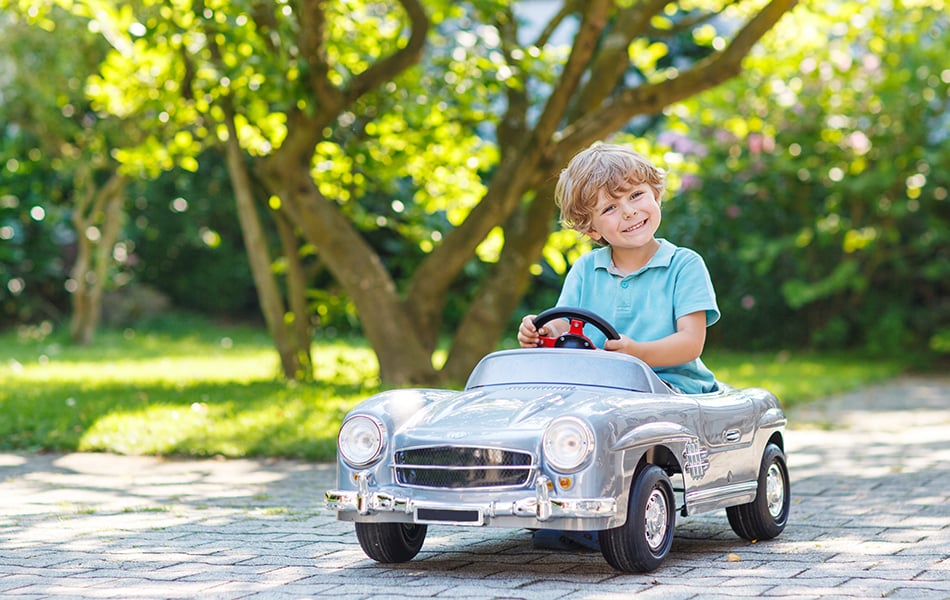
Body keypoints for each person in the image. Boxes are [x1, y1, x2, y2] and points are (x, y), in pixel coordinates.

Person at [517, 142, 720, 395]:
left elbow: (690, 343)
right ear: (592, 229)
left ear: (656, 195)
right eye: (610, 208)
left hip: (673, 389)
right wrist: (541, 331)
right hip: (601, 388)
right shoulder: (585, 269)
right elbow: (563, 325)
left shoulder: (684, 265)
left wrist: (637, 354)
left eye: (636, 195)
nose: (629, 212)